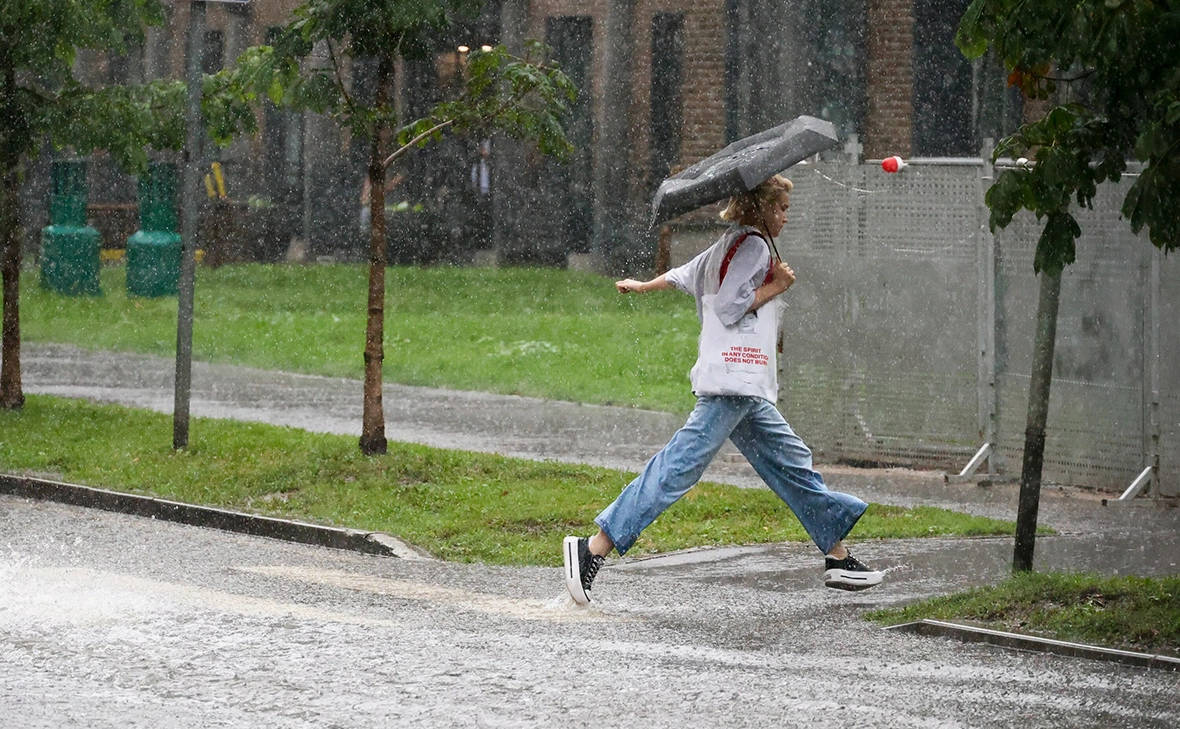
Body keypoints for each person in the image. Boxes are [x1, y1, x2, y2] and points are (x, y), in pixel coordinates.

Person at [563, 174, 884, 605]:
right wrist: (777, 286)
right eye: (781, 208)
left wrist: (644, 285)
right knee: (678, 467)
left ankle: (837, 556)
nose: (786, 217)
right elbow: (732, 307)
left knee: (792, 464)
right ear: (760, 208)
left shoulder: (729, 243)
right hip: (733, 384)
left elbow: (683, 275)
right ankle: (592, 548)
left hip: (743, 388)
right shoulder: (753, 247)